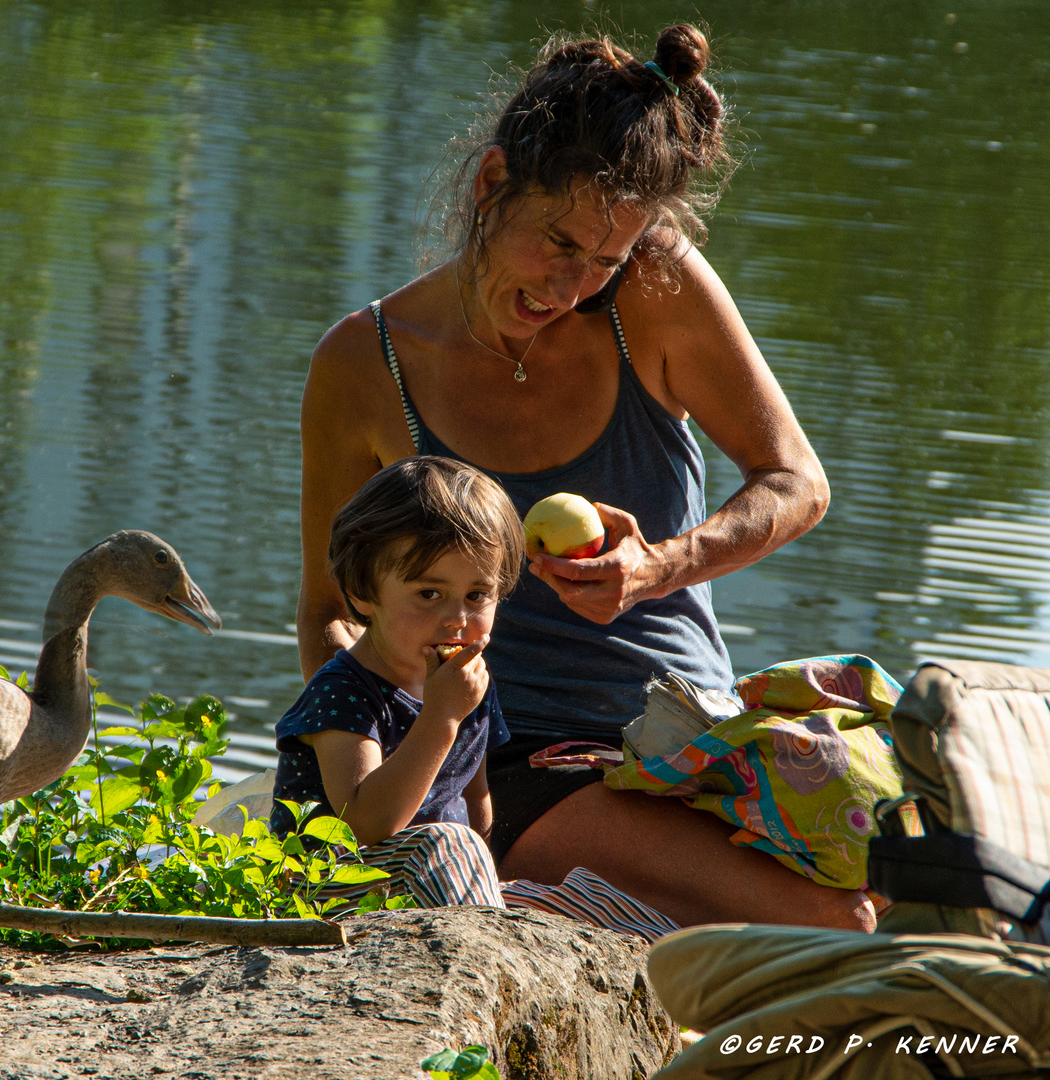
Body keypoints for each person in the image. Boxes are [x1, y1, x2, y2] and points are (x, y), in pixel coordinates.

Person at [295, 25, 875, 931]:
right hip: (509, 761)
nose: (571, 284)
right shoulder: (363, 364)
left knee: (918, 891)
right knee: (838, 927)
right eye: (557, 243)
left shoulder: (653, 288)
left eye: (603, 261)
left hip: (695, 740)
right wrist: (378, 753)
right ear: (491, 185)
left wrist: (660, 568)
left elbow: (795, 481)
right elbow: (327, 610)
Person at [269, 456, 515, 908]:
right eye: (429, 594)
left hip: (436, 879)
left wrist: (495, 880)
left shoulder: (468, 682)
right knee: (445, 845)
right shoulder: (344, 690)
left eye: (477, 595)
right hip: (330, 886)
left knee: (578, 891)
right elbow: (364, 824)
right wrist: (441, 716)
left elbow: (475, 800)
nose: (457, 620)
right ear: (364, 592)